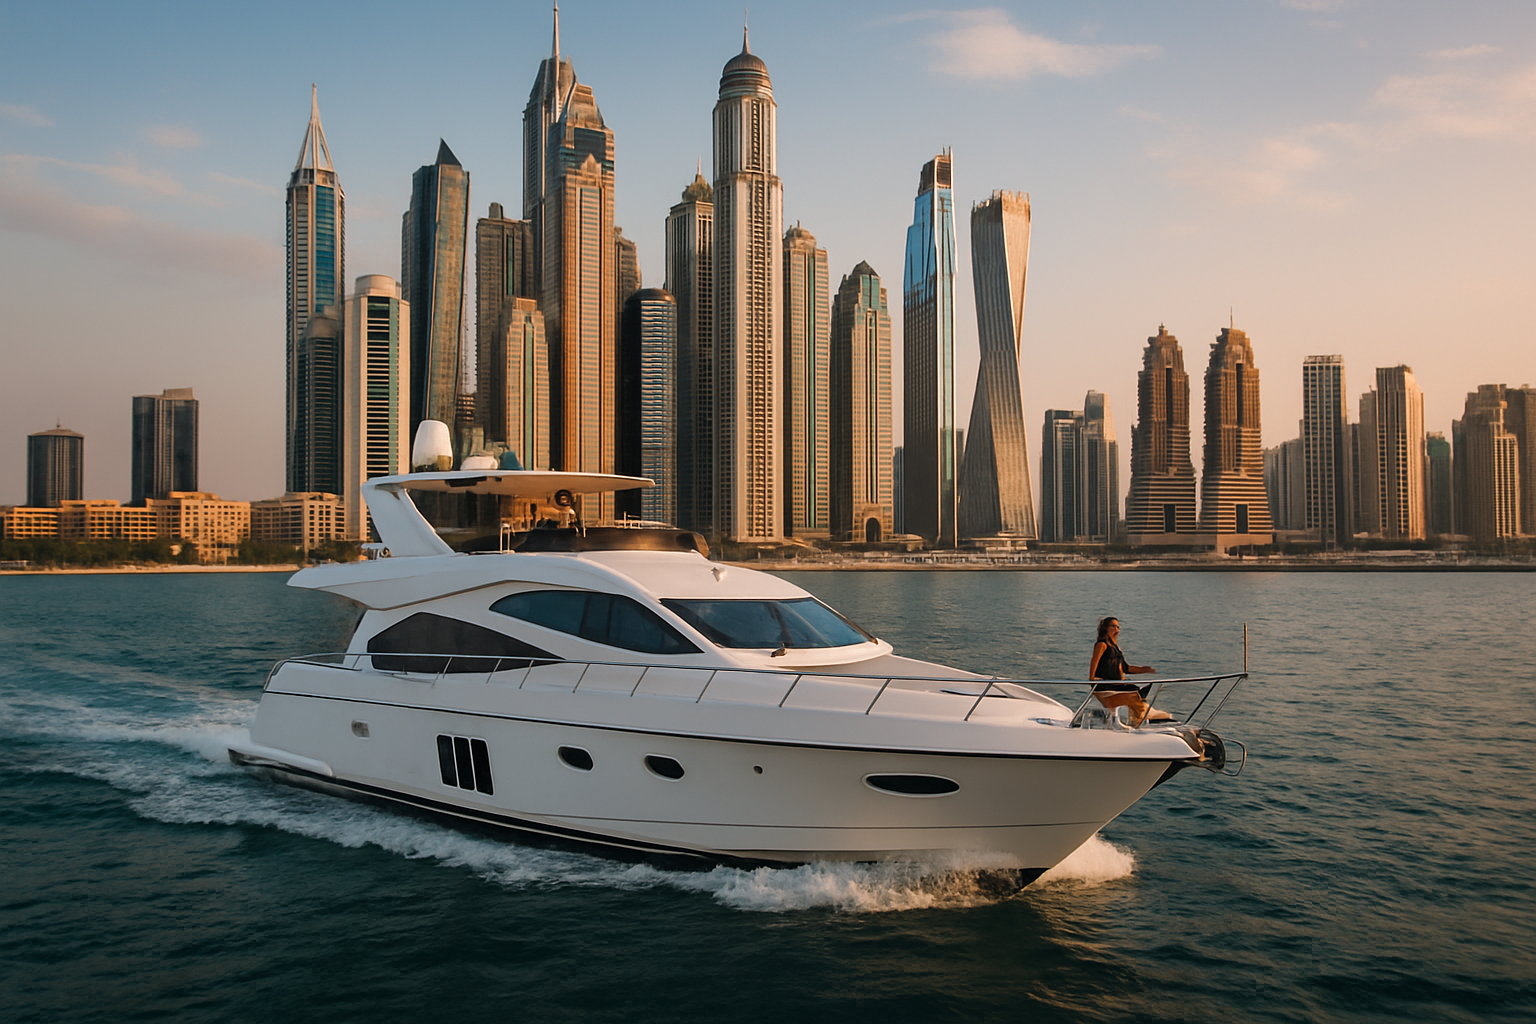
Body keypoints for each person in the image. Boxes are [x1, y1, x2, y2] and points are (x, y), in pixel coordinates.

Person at [1089, 617, 1172, 726]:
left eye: (1118, 627)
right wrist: (1092, 678)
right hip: (1105, 684)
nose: (1116, 629)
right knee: (1133, 692)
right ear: (1105, 628)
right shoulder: (1102, 644)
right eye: (1113, 626)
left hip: (1116, 683)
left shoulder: (1116, 648)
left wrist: (1145, 669)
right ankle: (1142, 715)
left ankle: (1140, 716)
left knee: (1138, 689)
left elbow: (1126, 668)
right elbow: (1094, 661)